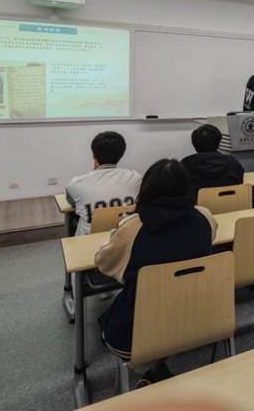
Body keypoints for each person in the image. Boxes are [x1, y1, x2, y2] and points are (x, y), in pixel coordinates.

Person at [95, 159, 217, 383]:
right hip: (195, 318)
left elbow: (104, 264)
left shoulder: (132, 227)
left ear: (146, 189)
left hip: (136, 332)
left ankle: (147, 371)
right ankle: (158, 368)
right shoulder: (205, 217)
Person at [66, 131, 142, 235]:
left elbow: (72, 204)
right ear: (121, 154)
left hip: (89, 241)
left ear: (94, 155)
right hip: (125, 237)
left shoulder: (76, 184)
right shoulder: (136, 179)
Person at [181, 124, 244, 197]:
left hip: (197, 204)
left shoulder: (184, 166)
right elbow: (240, 183)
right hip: (231, 203)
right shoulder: (233, 164)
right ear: (218, 143)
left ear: (194, 144)